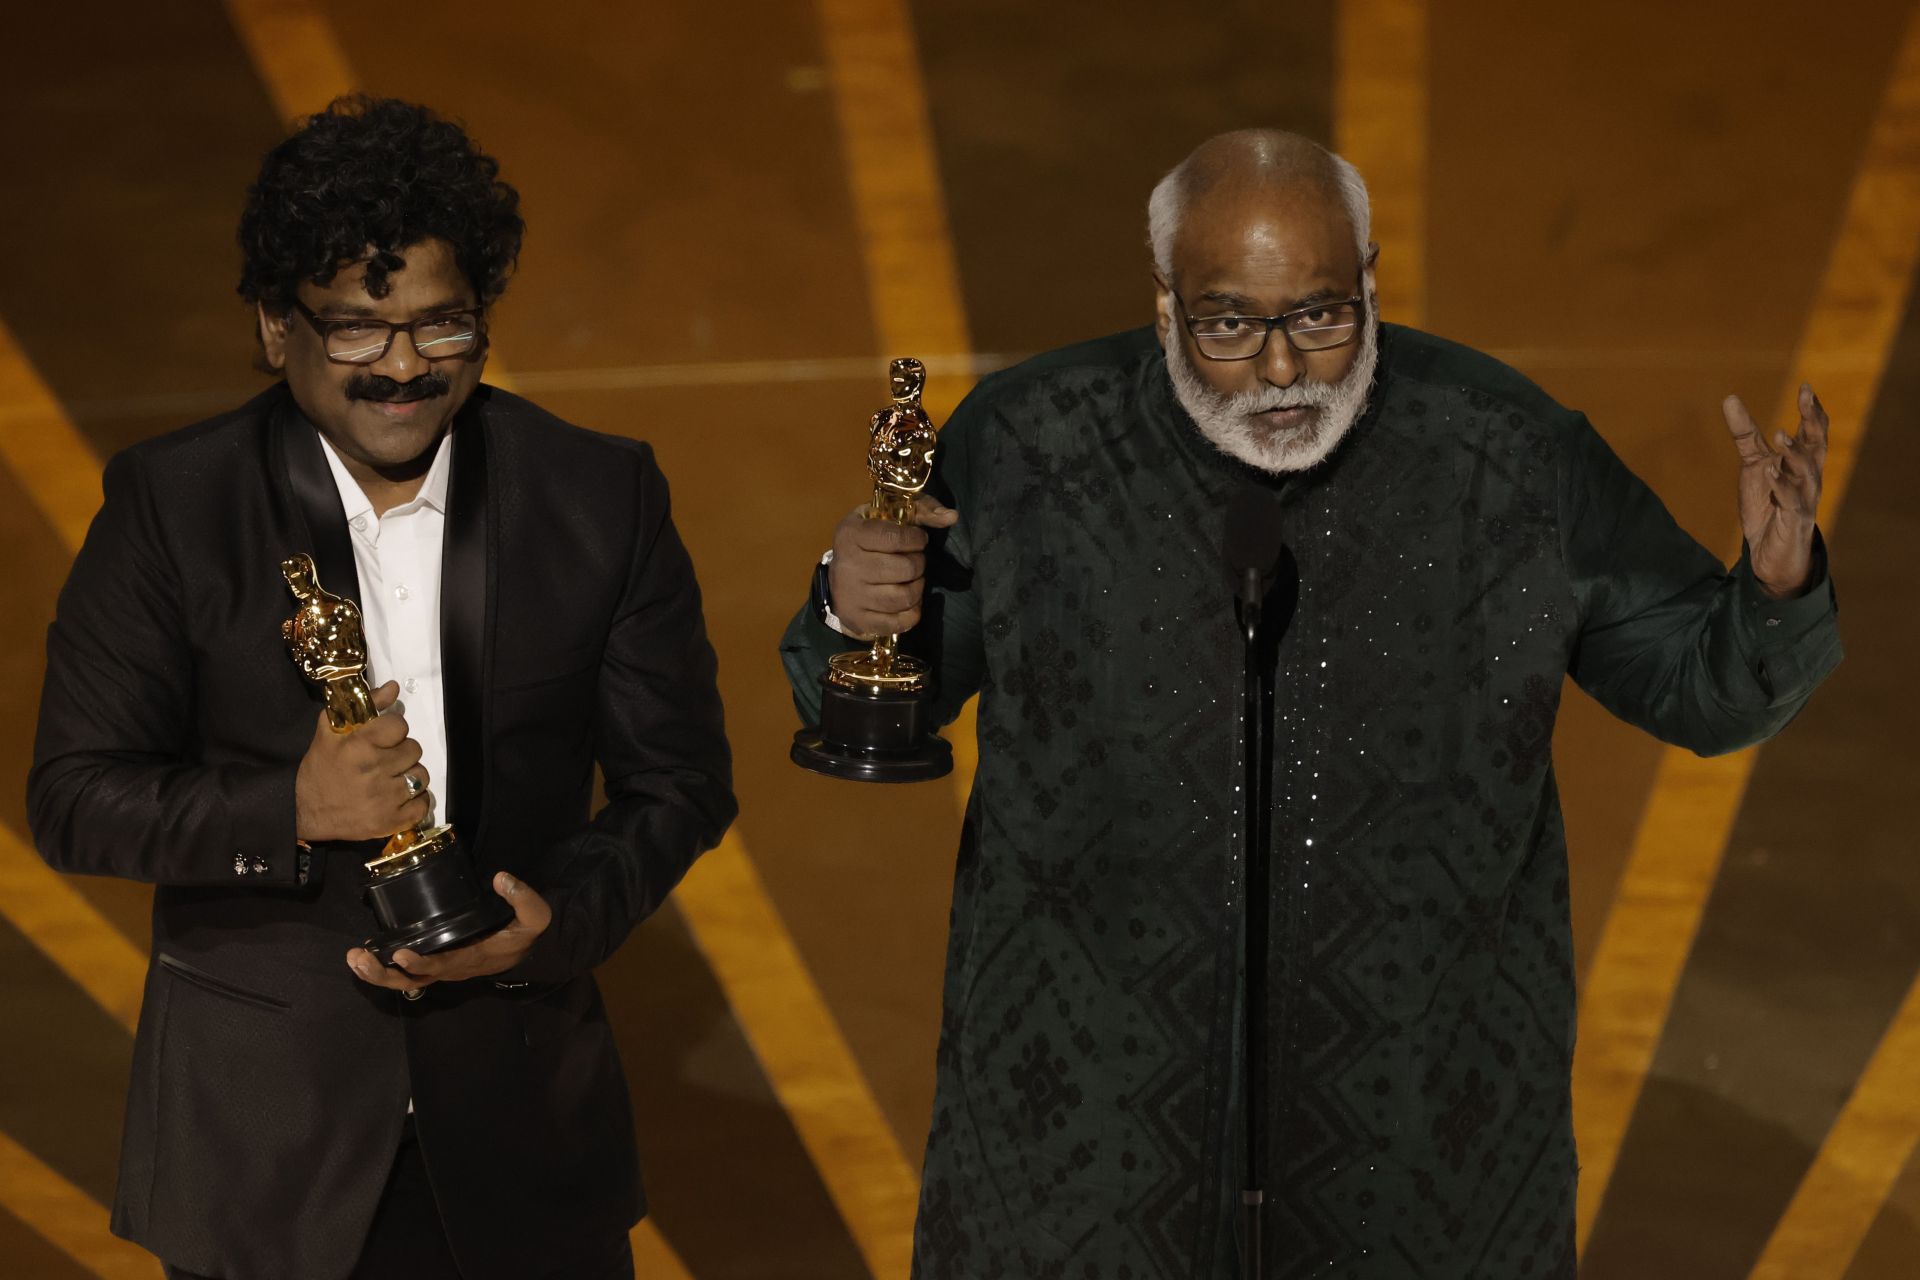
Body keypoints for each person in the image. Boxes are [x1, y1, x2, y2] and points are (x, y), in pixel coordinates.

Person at [780, 129, 1839, 1279]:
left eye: (1322, 316)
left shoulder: (1512, 453)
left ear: (1372, 280)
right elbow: (879, 697)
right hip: (1082, 1161)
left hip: (1423, 1159)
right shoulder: (1031, 441)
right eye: (1230, 324)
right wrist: (851, 609)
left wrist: (1776, 586)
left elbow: (1706, 689)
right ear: (1165, 304)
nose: (1283, 370)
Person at [29, 96, 734, 1280]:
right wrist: (290, 808)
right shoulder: (172, 506)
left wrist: (555, 923)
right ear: (273, 326)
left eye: (440, 326)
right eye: (356, 330)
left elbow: (680, 784)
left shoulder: (598, 494)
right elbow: (76, 795)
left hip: (524, 1137)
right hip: (264, 1152)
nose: (401, 367)